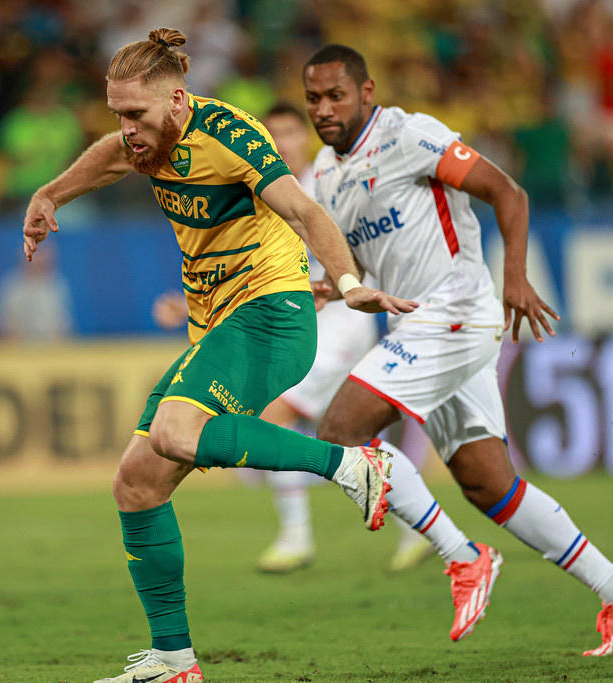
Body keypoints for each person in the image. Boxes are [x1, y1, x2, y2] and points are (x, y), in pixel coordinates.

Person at [23, 28, 418, 683]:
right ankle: (174, 662)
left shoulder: (231, 136)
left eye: (137, 115)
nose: (127, 129)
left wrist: (348, 285)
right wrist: (50, 194)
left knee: (178, 432)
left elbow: (307, 212)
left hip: (273, 312)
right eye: (117, 114)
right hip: (217, 327)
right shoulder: (141, 142)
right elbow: (108, 157)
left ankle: (350, 466)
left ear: (178, 101)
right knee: (136, 483)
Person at [302, 44, 613, 656]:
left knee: (339, 435)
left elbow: (508, 192)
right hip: (417, 325)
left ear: (366, 92)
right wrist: (333, 286)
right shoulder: (326, 172)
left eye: (337, 95)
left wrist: (514, 276)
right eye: (314, 98)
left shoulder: (410, 135)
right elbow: (366, 257)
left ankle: (463, 556)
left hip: (455, 313)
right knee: (487, 484)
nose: (324, 108)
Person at [153, 101, 434, 575]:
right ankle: (424, 530)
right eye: (273, 133)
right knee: (352, 434)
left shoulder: (326, 186)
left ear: (306, 138)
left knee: (274, 414)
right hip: (293, 318)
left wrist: (345, 288)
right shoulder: (253, 190)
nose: (282, 142)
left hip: (336, 322)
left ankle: (297, 536)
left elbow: (359, 256)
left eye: (290, 132)